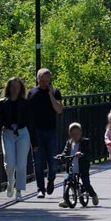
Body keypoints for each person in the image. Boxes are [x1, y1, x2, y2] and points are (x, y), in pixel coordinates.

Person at [0, 77, 32, 201]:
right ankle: (10, 181)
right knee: (9, 163)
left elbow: (31, 123)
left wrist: (35, 142)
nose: (15, 90)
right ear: (8, 88)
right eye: (12, 87)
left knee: (21, 164)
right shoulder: (2, 103)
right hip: (8, 132)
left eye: (17, 87)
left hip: (22, 133)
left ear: (21, 89)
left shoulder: (25, 103)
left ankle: (19, 191)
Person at [26, 67, 64, 198]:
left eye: (47, 81)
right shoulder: (31, 93)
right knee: (37, 161)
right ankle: (40, 189)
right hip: (36, 132)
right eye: (42, 80)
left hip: (51, 131)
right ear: (37, 79)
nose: (44, 83)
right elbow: (27, 114)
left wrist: (50, 95)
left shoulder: (55, 92)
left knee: (52, 162)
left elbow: (59, 110)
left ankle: (51, 180)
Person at [57, 122, 98, 207]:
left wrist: (82, 154)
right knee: (66, 180)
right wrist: (62, 155)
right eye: (73, 134)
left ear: (81, 133)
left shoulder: (84, 142)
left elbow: (89, 154)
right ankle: (66, 198)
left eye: (77, 134)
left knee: (86, 183)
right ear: (70, 134)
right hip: (72, 168)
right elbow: (65, 152)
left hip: (82, 168)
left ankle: (93, 195)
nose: (75, 136)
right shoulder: (69, 143)